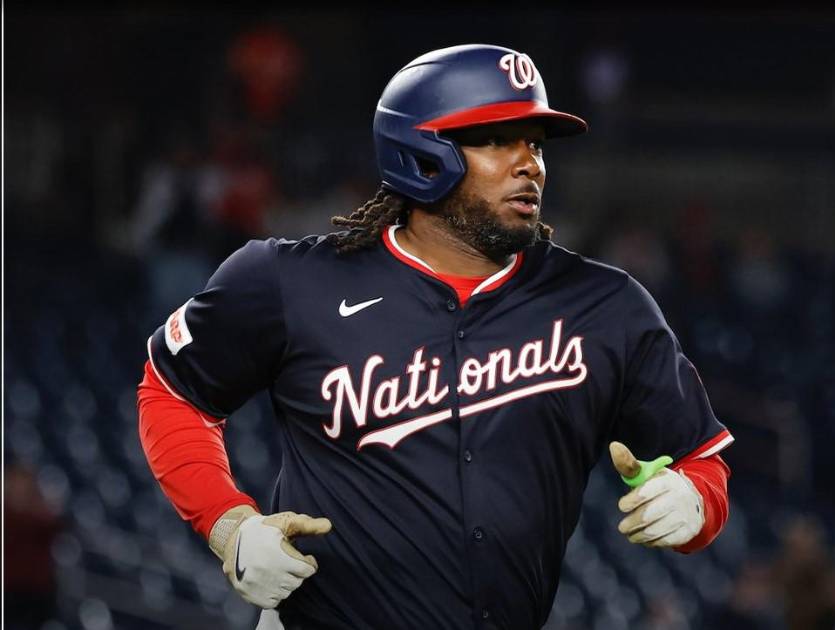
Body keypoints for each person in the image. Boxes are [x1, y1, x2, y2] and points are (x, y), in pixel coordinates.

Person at [137, 44, 733, 630]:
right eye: (496, 139)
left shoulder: (606, 305)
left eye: (535, 142)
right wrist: (231, 525)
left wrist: (695, 501)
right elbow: (171, 392)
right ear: (422, 154)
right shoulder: (290, 281)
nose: (530, 163)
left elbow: (701, 462)